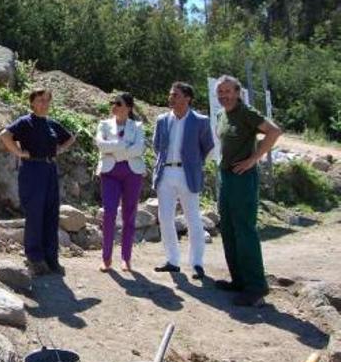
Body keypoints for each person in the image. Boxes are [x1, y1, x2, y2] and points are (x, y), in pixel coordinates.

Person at [214, 75, 282, 306]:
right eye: (220, 92)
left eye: (228, 91)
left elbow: (273, 131)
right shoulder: (221, 114)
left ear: (237, 92)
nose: (224, 95)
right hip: (226, 176)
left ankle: (255, 286)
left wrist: (253, 159)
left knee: (244, 229)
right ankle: (239, 281)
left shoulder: (246, 112)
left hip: (243, 178)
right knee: (228, 228)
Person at [0, 88, 76, 276]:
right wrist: (18, 152)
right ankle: (35, 258)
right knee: (35, 214)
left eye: (47, 100)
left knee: (51, 213)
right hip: (32, 170)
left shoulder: (51, 124)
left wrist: (59, 150)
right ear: (32, 102)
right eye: (40, 100)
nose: (44, 104)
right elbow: (4, 135)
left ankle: (51, 258)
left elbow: (70, 138)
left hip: (50, 170)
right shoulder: (25, 122)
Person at [152, 82, 214, 279]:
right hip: (166, 173)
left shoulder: (201, 121)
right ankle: (172, 260)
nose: (171, 98)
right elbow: (157, 146)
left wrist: (194, 163)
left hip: (188, 173)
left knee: (193, 218)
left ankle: (196, 263)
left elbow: (208, 148)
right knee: (165, 218)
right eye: (171, 95)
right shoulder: (162, 120)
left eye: (175, 95)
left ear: (187, 98)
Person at [94, 93, 146, 273]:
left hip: (132, 173)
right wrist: (124, 146)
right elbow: (101, 145)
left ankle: (126, 258)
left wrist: (114, 149)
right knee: (109, 213)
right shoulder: (104, 125)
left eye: (118, 103)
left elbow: (139, 148)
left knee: (129, 215)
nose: (114, 106)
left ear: (129, 108)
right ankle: (106, 258)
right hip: (110, 173)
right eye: (113, 103)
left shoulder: (137, 126)